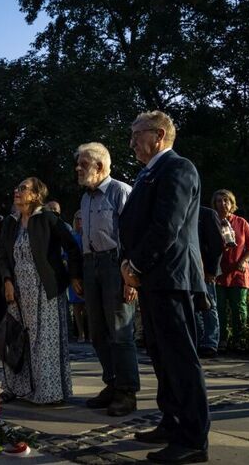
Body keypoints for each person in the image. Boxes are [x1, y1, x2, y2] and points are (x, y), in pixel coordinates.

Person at [119, 110, 209, 463]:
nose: (132, 143)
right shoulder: (147, 173)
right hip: (152, 279)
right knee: (161, 357)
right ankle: (171, 421)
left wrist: (135, 263)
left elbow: (167, 226)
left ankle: (193, 438)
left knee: (180, 358)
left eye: (136, 134)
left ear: (158, 135)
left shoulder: (178, 168)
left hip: (172, 277)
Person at [0, 177, 82, 405]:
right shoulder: (10, 222)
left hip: (45, 290)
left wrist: (73, 276)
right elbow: (2, 255)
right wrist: (7, 281)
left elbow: (72, 247)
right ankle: (12, 387)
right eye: (17, 187)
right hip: (18, 290)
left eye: (23, 188)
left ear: (35, 195)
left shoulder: (48, 219)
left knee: (44, 342)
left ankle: (49, 392)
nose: (17, 191)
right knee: (15, 340)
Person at [74, 141, 139, 416]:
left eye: (83, 163)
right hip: (92, 264)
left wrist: (132, 276)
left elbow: (135, 235)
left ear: (100, 166)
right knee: (98, 330)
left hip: (116, 263)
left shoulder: (120, 191)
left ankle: (127, 392)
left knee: (120, 331)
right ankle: (111, 383)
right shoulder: (86, 197)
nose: (78, 168)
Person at [211, 190, 249, 355]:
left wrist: (244, 260)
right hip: (218, 272)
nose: (222, 204)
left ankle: (241, 339)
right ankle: (222, 338)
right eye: (218, 201)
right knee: (219, 308)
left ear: (232, 203)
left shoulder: (241, 222)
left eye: (226, 201)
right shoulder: (212, 221)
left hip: (238, 270)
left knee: (239, 307)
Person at [196, 206, 224, 357]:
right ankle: (198, 339)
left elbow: (217, 244)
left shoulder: (207, 214)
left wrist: (211, 270)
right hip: (190, 268)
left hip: (206, 269)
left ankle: (210, 342)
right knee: (195, 307)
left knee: (208, 304)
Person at [68, 211, 86, 344]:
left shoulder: (88, 235)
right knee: (77, 305)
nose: (80, 221)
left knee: (89, 305)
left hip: (88, 271)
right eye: (78, 219)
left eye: (82, 218)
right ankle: (81, 333)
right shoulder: (72, 236)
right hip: (75, 273)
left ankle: (91, 333)